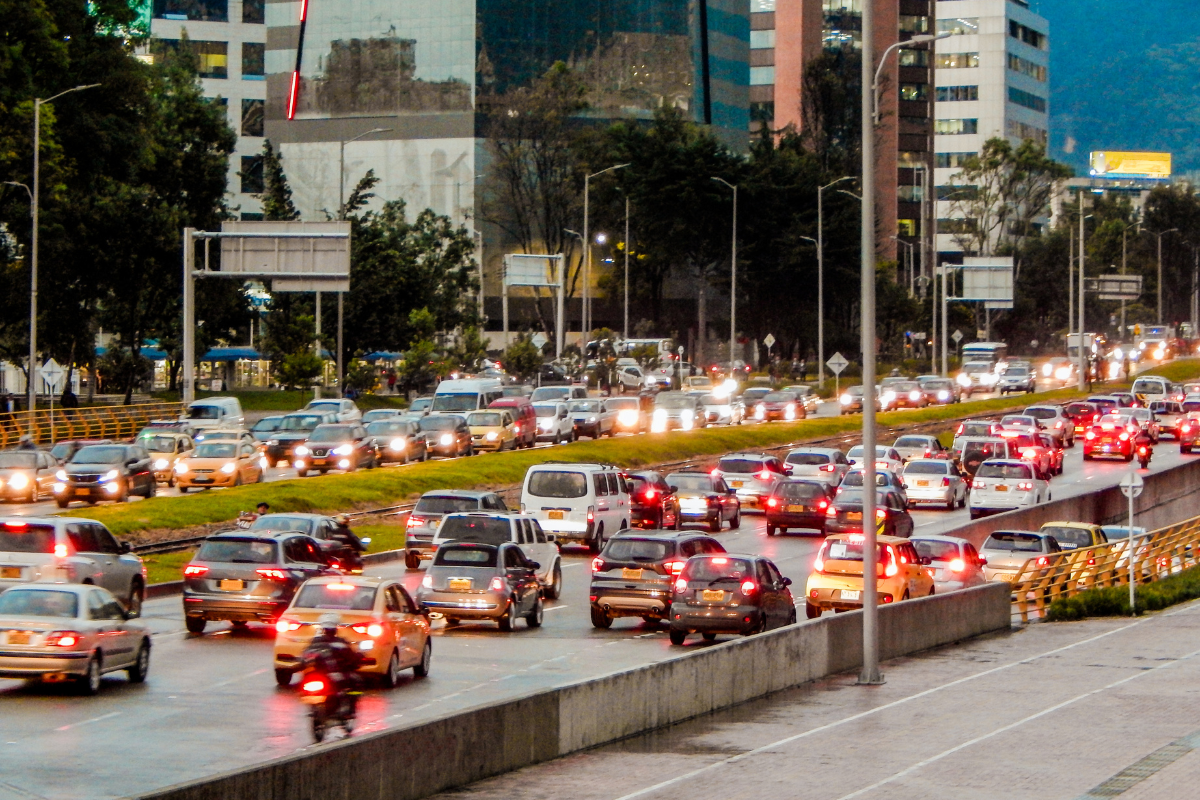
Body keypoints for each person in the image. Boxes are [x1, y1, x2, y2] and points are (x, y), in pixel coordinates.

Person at [302, 613, 363, 696]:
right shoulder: (341, 643)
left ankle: (351, 699)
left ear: (323, 629)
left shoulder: (315, 642)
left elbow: (304, 657)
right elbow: (351, 658)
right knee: (357, 682)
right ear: (335, 629)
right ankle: (352, 699)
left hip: (320, 677)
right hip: (330, 679)